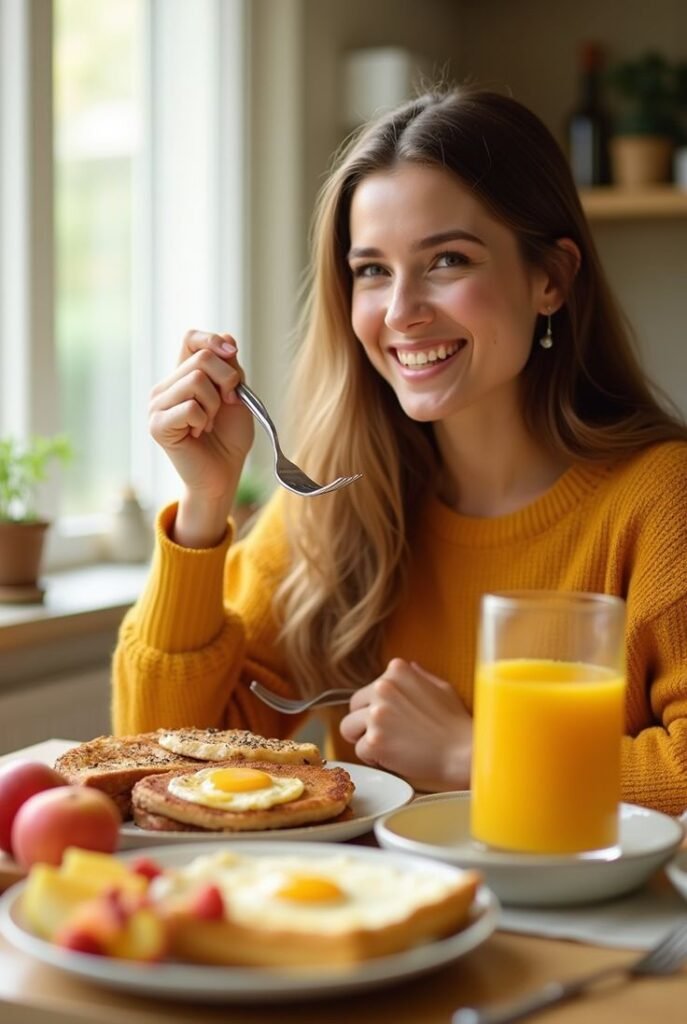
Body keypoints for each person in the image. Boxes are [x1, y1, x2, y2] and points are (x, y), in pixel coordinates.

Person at [113, 86, 687, 815]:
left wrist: (468, 754)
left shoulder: (661, 498)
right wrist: (204, 503)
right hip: (382, 917)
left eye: (446, 259)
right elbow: (164, 762)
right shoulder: (334, 505)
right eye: (372, 270)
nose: (400, 312)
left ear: (550, 279)